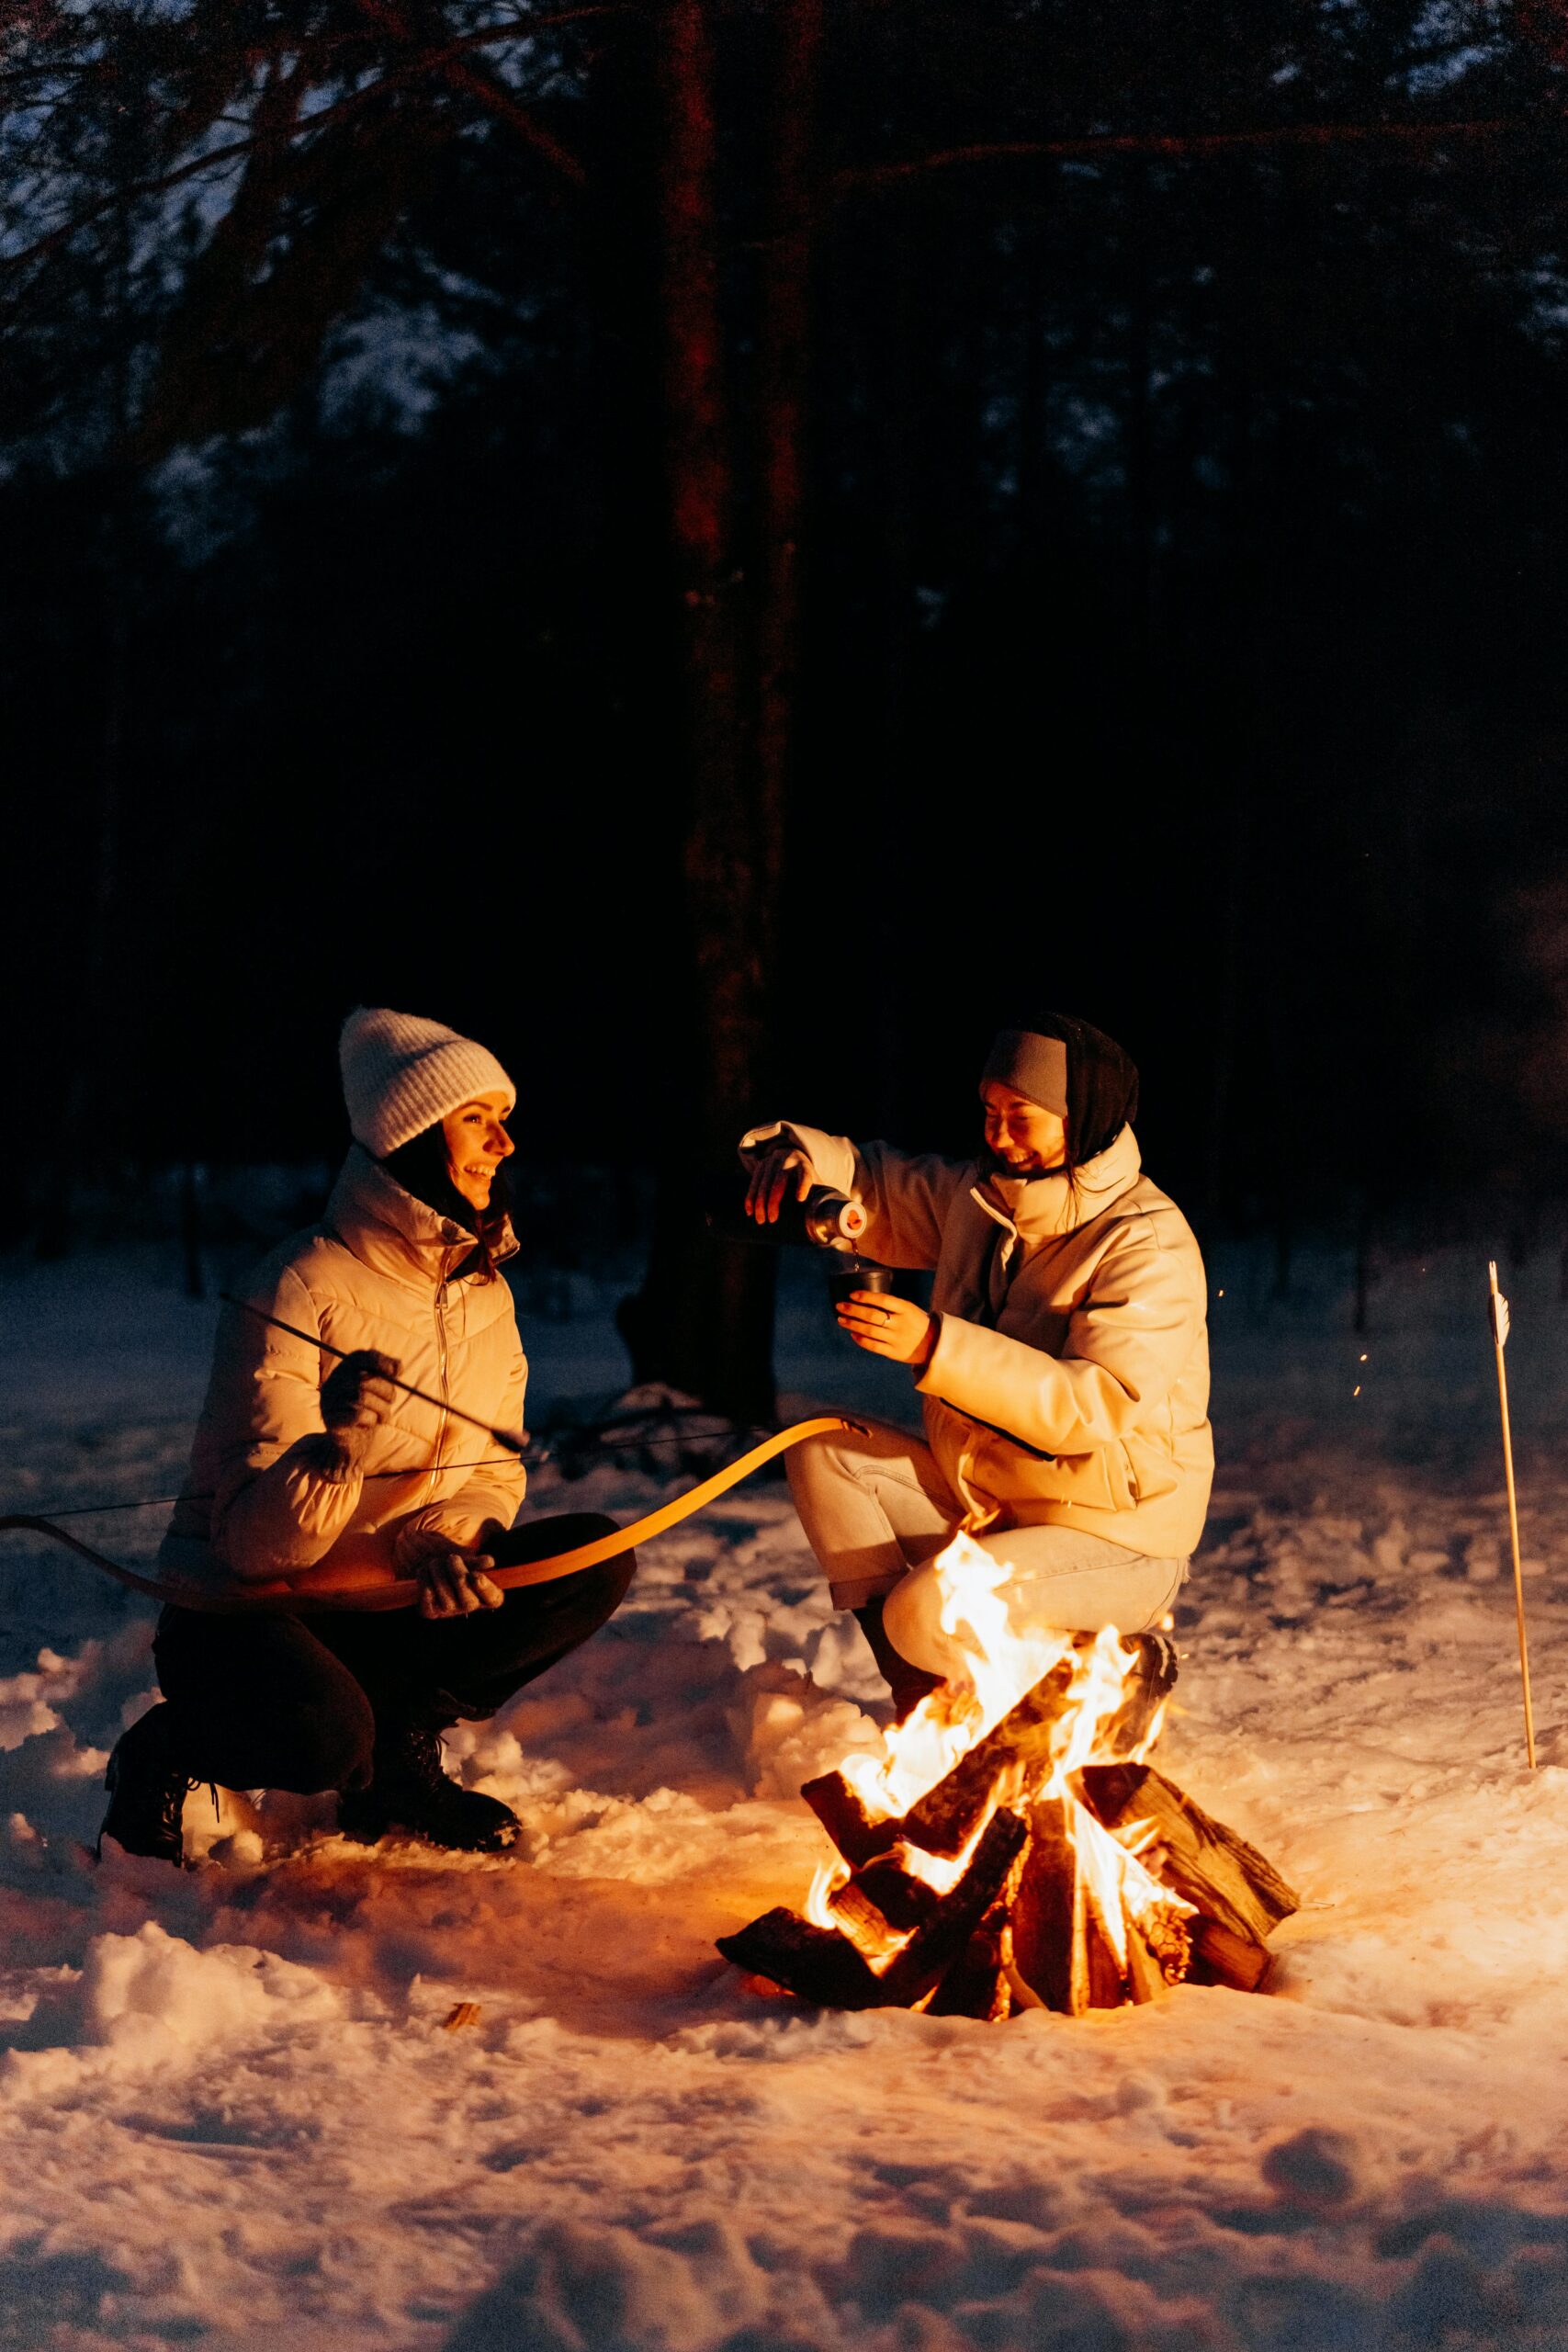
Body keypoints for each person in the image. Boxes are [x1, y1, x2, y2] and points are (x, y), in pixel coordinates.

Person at [99, 1006, 635, 1866]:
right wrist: (336, 1452)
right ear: (414, 1132)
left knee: (588, 1558)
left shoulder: (485, 1293)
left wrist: (443, 1540)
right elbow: (248, 1549)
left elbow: (490, 1476)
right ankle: (167, 1750)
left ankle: (394, 1756)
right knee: (319, 1743)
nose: (504, 1144)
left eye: (504, 1122)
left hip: (378, 1607)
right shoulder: (298, 1283)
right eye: (477, 1120)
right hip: (244, 1615)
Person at [742, 1013, 1213, 1718]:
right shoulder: (983, 1201)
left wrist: (937, 1346)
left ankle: (1121, 1667)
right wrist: (797, 1157)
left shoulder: (1146, 1244)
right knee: (823, 1452)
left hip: (1115, 1537)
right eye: (990, 1112)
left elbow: (1094, 1406)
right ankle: (927, 1707)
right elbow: (874, 1180)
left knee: (926, 1614)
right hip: (995, 1507)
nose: (997, 1135)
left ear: (1081, 1117)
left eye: (1021, 1117)